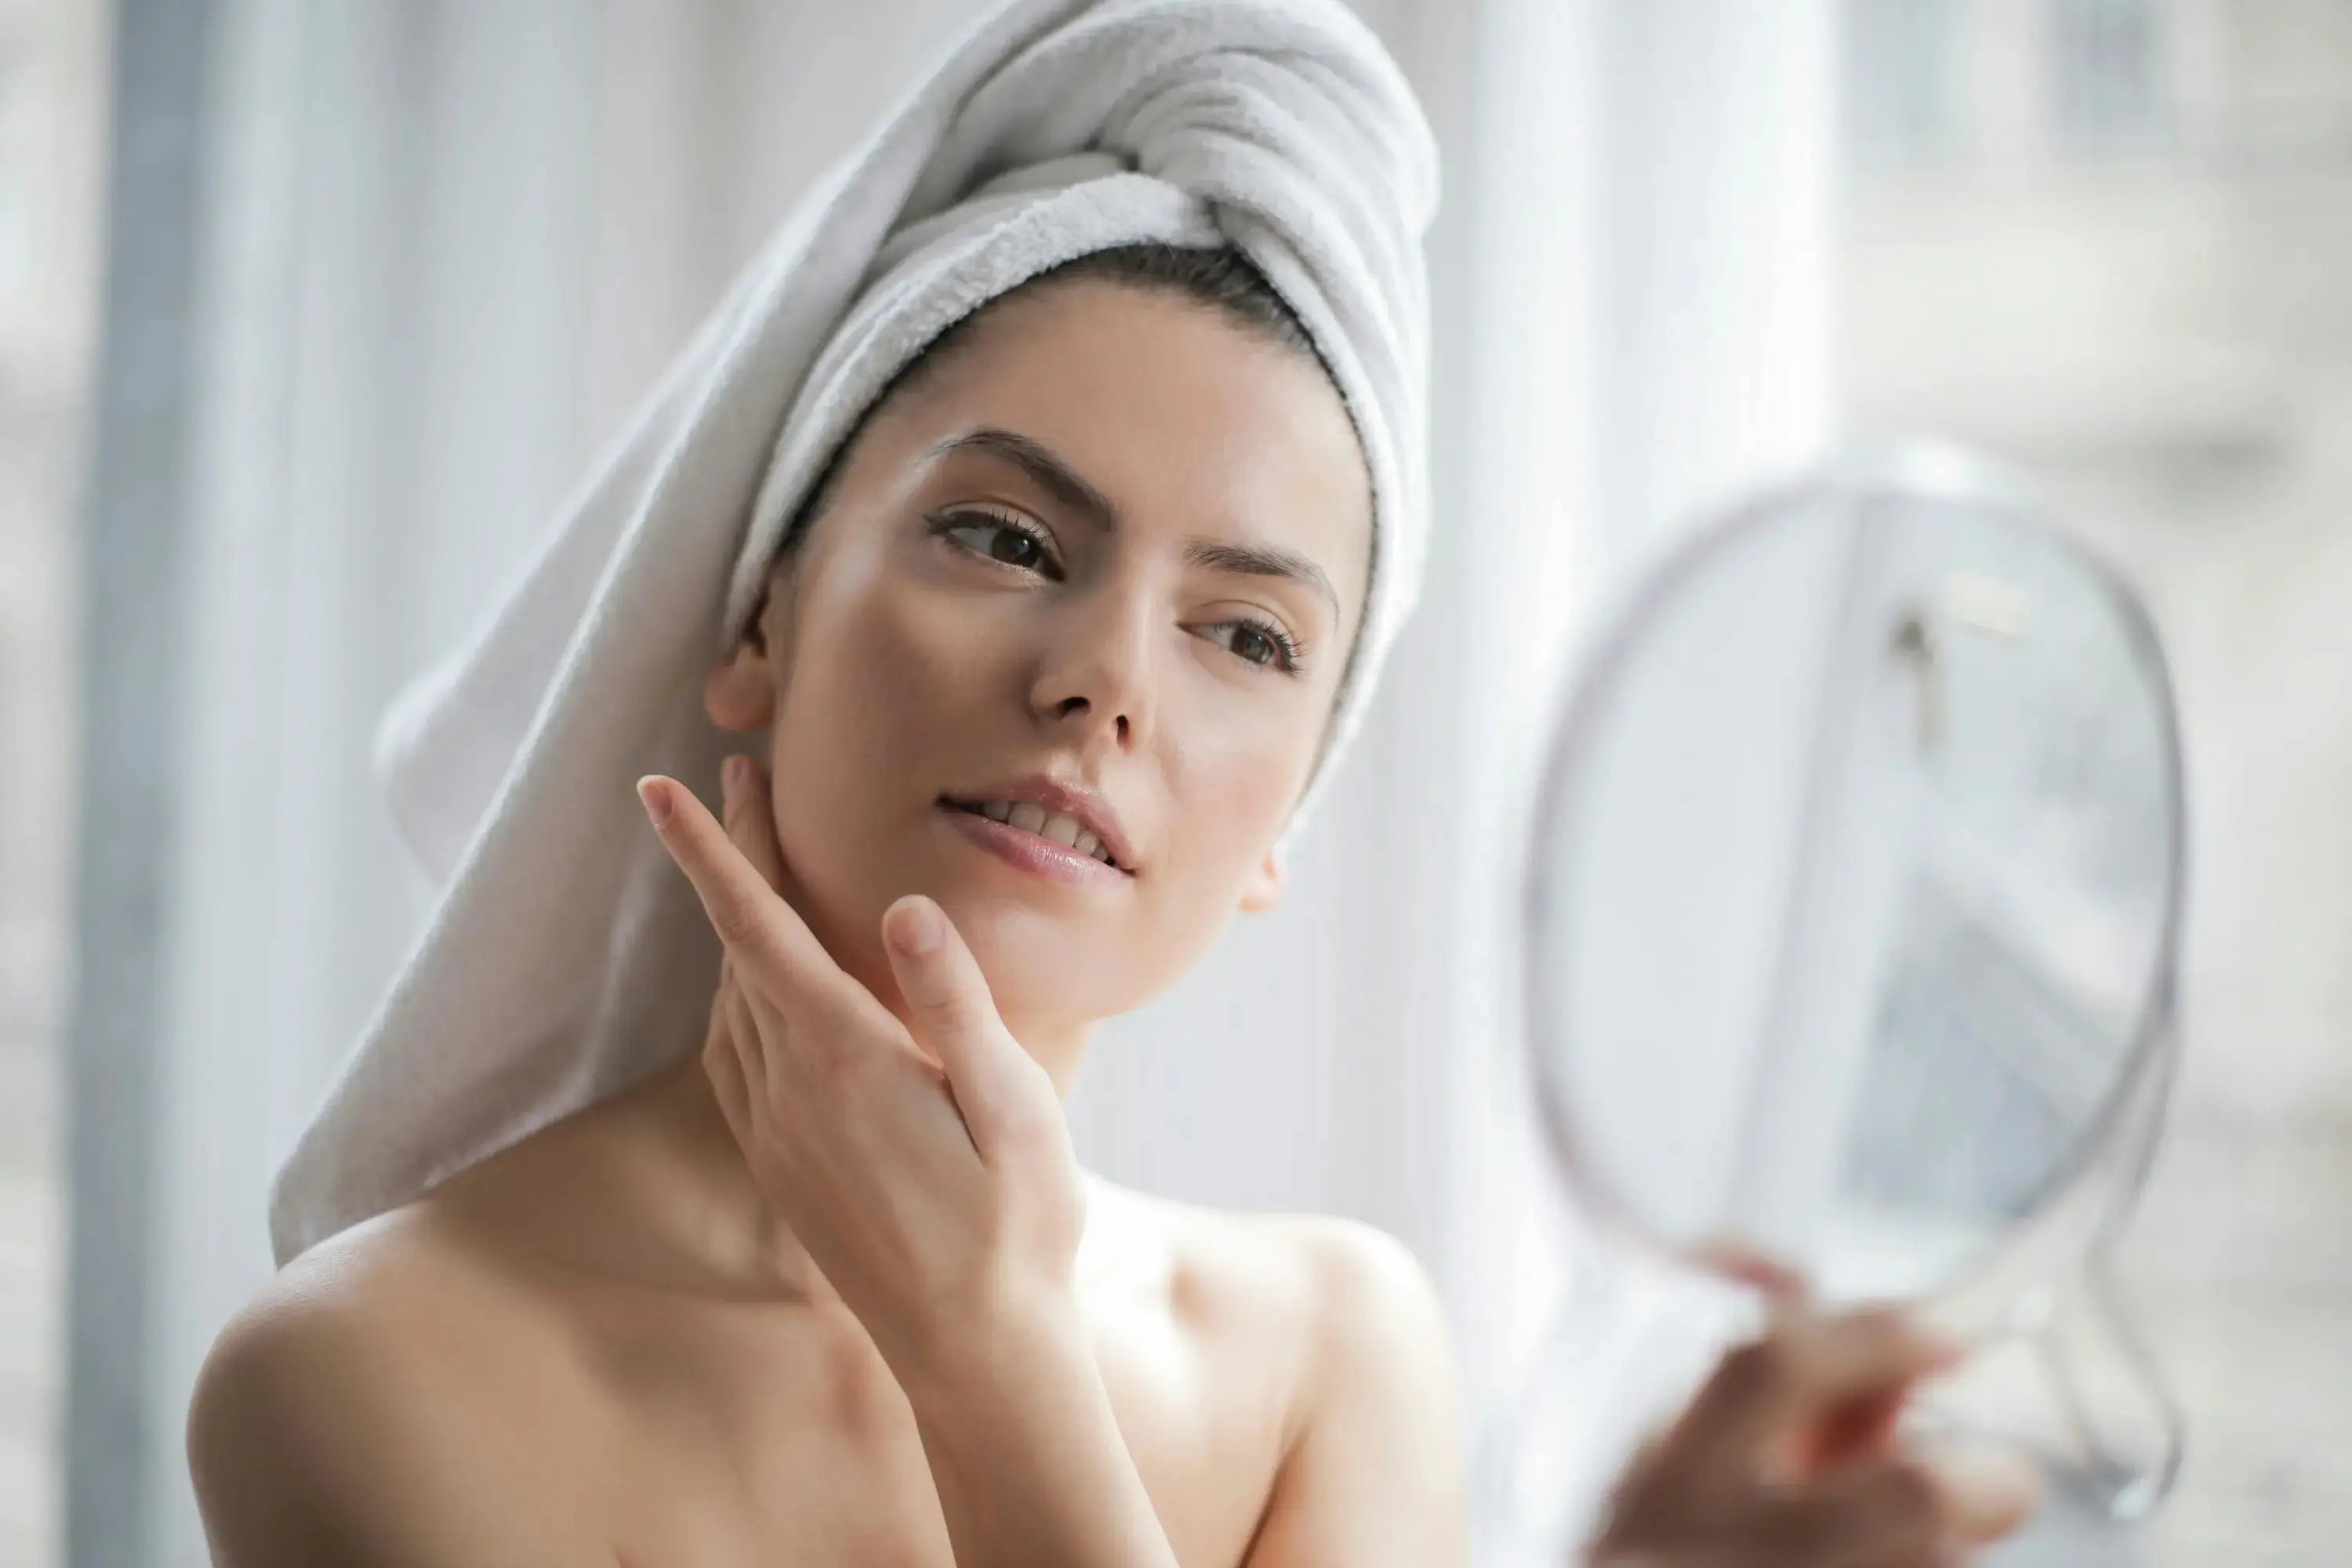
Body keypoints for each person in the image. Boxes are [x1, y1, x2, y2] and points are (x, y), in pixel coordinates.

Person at [184, 4, 2036, 1564]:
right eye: (1002, 535)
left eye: (1247, 637)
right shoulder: (372, 1370)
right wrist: (988, 1356)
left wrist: (994, 1354)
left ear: (1284, 828)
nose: (1101, 682)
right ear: (755, 618)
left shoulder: (1333, 1356)